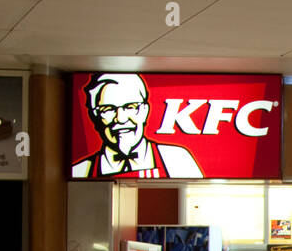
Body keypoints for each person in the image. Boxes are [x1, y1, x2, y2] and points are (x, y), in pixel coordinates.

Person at [72, 73, 204, 178]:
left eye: (130, 107)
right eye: (108, 109)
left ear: (145, 111)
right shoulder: (81, 170)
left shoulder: (177, 159)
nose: (121, 119)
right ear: (95, 116)